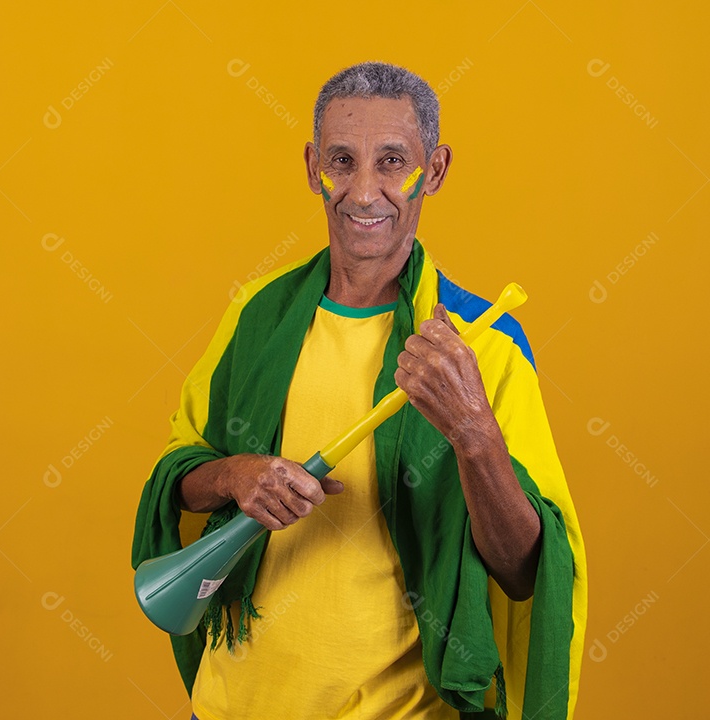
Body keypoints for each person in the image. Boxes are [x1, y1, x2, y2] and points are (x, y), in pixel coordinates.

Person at [131, 61, 587, 720]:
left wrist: (474, 435)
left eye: (392, 161)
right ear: (312, 165)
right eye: (341, 162)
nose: (364, 191)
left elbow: (524, 572)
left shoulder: (482, 344)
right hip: (232, 706)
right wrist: (236, 474)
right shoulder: (257, 314)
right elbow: (180, 472)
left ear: (435, 170)